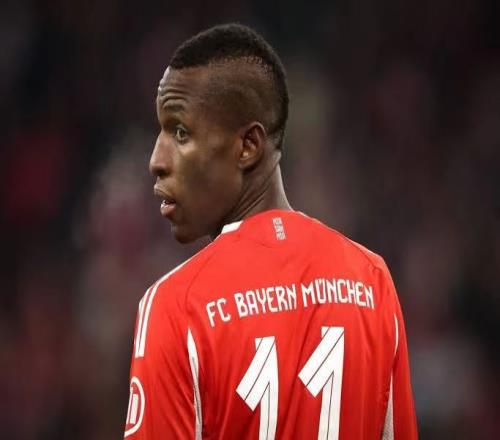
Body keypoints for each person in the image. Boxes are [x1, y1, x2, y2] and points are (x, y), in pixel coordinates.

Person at [123, 23, 417, 440]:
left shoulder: (175, 307)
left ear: (248, 147)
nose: (157, 159)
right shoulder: (371, 282)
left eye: (181, 132)